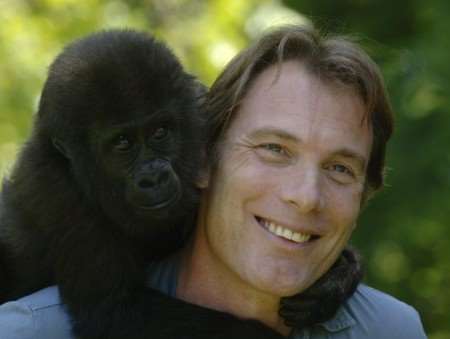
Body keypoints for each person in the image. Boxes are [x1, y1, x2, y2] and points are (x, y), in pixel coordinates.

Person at [0, 24, 427, 338]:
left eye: (340, 168)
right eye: (274, 149)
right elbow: (110, 314)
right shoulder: (57, 216)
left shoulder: (393, 328)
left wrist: (339, 266)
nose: (304, 197)